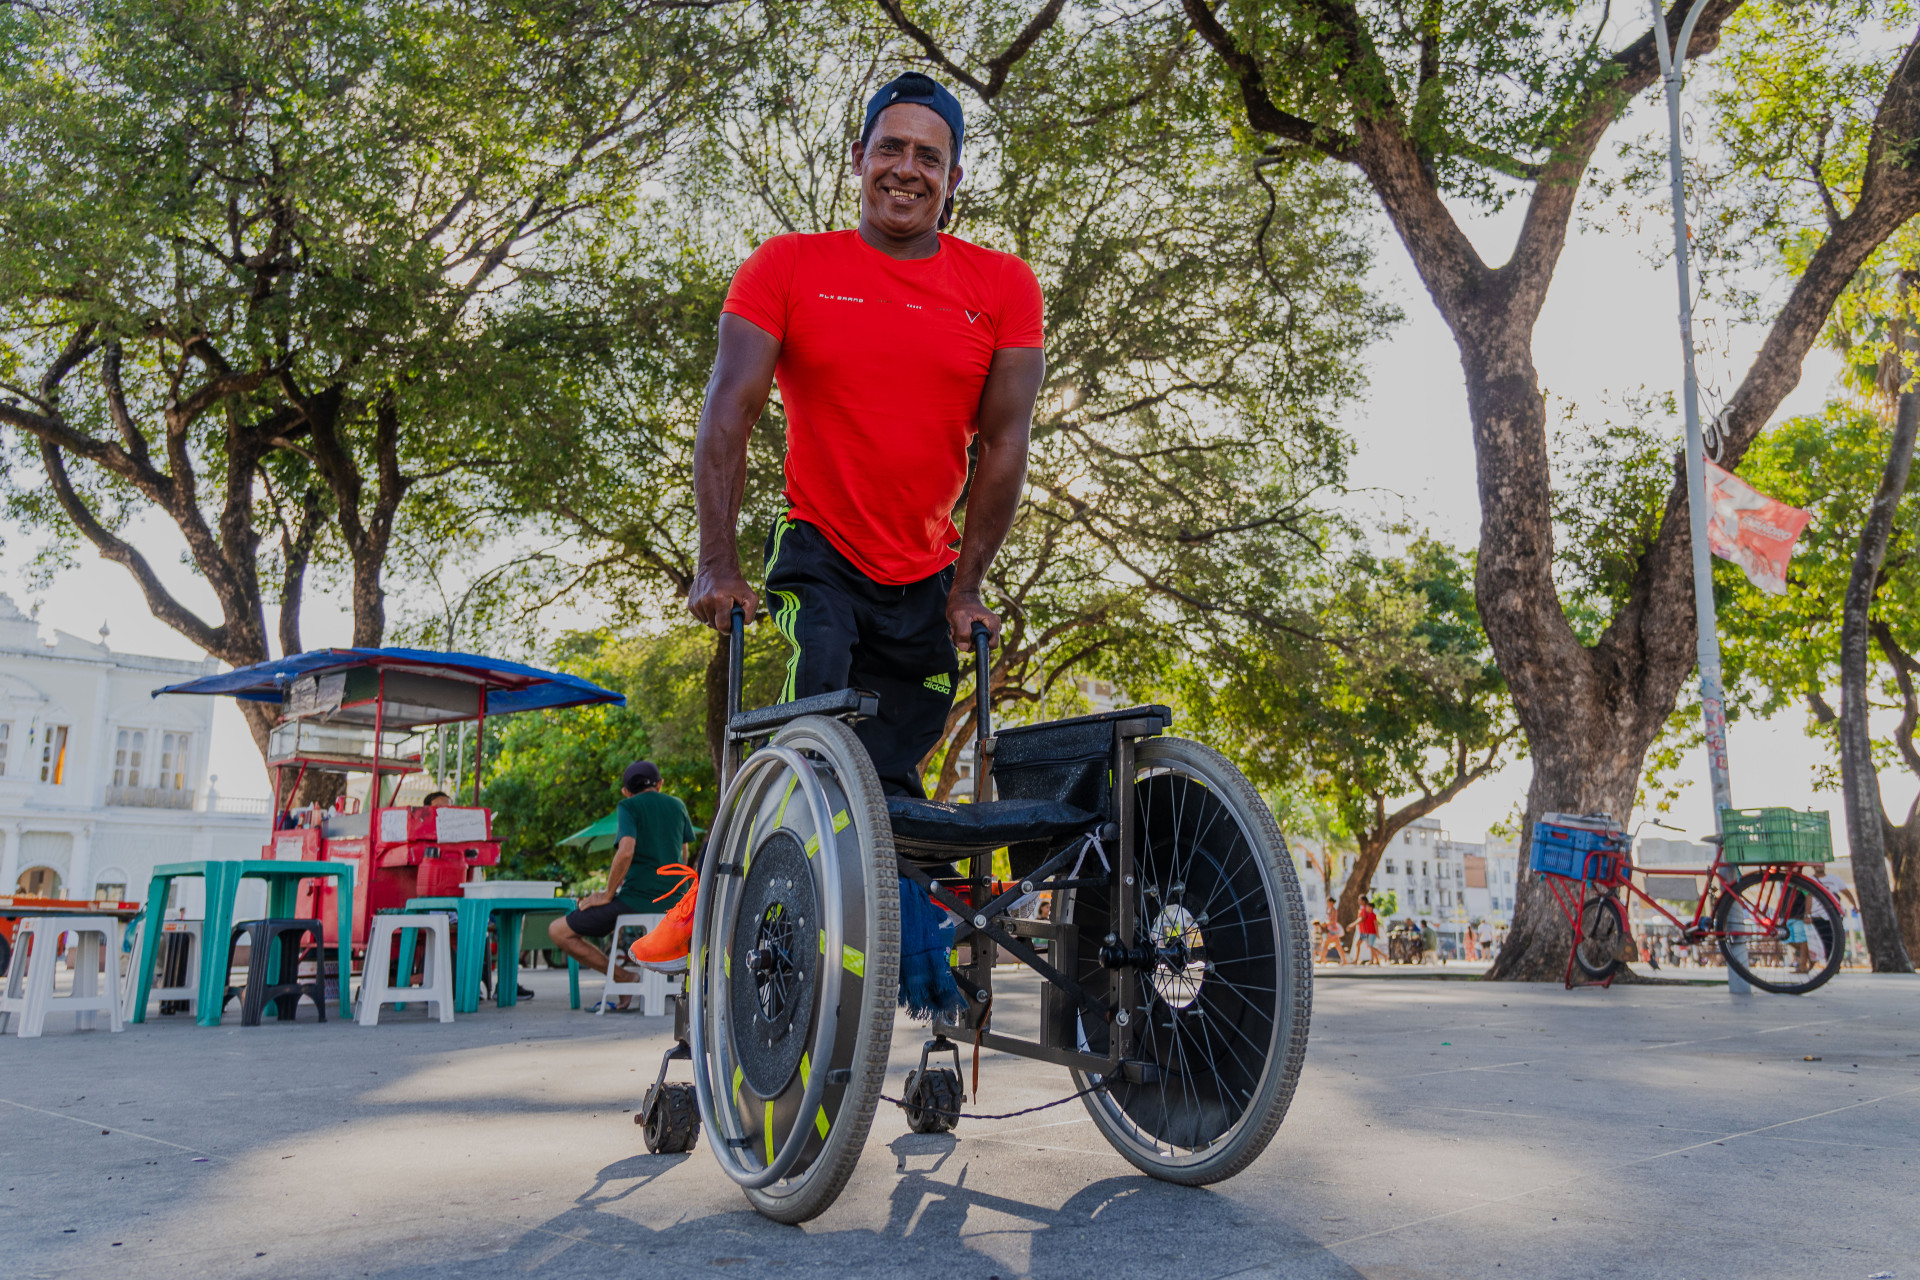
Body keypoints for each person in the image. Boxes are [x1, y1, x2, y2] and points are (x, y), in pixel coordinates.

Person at [639, 71, 1046, 1013]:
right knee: (822, 730)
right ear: (857, 160)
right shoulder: (785, 266)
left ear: (955, 177)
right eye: (890, 148)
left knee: (897, 780)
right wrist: (717, 565)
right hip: (821, 548)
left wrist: (967, 586)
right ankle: (727, 896)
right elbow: (729, 412)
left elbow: (1007, 444)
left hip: (926, 570)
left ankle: (910, 949)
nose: (907, 169)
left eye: (929, 156)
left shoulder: (1001, 285)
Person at [554, 761, 697, 1001]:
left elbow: (626, 850)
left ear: (626, 791)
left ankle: (623, 977)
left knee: (558, 931)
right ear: (660, 784)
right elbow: (683, 854)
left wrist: (607, 894)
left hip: (636, 900)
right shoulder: (677, 805)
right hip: (677, 903)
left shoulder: (628, 806)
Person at [1353, 899, 1384, 965]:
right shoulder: (1368, 915)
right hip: (1367, 933)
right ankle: (1377, 960)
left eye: (1368, 907)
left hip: (1372, 933)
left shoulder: (1373, 915)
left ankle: (1377, 958)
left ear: (1371, 908)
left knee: (1371, 946)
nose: (1366, 908)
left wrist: (1377, 933)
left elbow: (1376, 924)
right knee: (1370, 946)